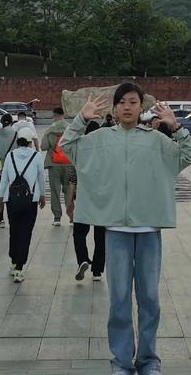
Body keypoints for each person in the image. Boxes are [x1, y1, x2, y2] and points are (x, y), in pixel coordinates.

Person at [61, 84, 191, 375]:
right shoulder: (99, 139)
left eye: (132, 102)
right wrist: (81, 119)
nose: (126, 107)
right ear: (114, 108)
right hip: (116, 230)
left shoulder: (155, 140)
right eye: (121, 102)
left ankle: (148, 360)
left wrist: (176, 128)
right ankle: (122, 362)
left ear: (141, 107)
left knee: (149, 298)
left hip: (148, 229)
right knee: (119, 299)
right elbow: (67, 147)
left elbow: (187, 156)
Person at [0, 125, 45, 283]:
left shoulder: (10, 156)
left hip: (11, 200)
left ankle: (13, 261)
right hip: (30, 201)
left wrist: (0, 198)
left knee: (14, 231)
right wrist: (42, 195)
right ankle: (19, 268)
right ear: (31, 142)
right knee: (26, 233)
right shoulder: (37, 157)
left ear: (17, 141)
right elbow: (41, 177)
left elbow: (4, 178)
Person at [66, 119, 106, 281]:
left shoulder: (80, 151)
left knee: (79, 233)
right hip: (103, 200)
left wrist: (69, 203)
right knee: (101, 236)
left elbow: (72, 182)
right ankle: (97, 271)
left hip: (84, 199)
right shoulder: (106, 153)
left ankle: (82, 258)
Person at [42, 106, 71, 226]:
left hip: (54, 164)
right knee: (69, 190)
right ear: (63, 115)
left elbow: (43, 146)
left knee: (55, 191)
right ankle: (72, 217)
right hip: (69, 163)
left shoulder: (50, 129)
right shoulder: (70, 128)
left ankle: (57, 218)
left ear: (55, 115)